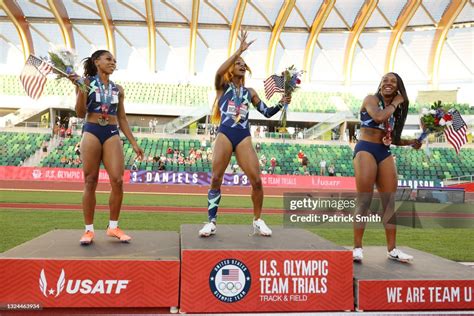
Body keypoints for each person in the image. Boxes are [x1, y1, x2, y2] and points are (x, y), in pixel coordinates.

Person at [198, 30, 291, 237]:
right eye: (237, 62)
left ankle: (258, 220)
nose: (241, 64)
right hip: (225, 134)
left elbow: (266, 112)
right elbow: (218, 72)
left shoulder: (250, 92)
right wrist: (238, 50)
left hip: (243, 136)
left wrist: (280, 104)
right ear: (231, 68)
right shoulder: (222, 87)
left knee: (257, 181)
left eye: (242, 63)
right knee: (216, 179)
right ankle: (211, 222)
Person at [68, 50, 144, 245]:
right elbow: (79, 112)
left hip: (111, 131)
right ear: (97, 62)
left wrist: (134, 143)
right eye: (108, 59)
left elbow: (122, 118)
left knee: (118, 180)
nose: (113, 62)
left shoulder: (118, 89)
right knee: (90, 180)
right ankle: (88, 231)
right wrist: (81, 92)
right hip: (91, 130)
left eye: (114, 60)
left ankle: (113, 226)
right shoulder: (85, 82)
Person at [352, 72, 421, 263]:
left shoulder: (395, 110)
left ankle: (392, 250)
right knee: (364, 200)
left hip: (384, 151)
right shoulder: (371, 99)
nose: (388, 83)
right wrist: (396, 102)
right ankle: (357, 248)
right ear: (380, 84)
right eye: (385, 80)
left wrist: (412, 142)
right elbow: (378, 116)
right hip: (365, 148)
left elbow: (395, 138)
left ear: (398, 87)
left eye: (393, 81)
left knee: (389, 203)